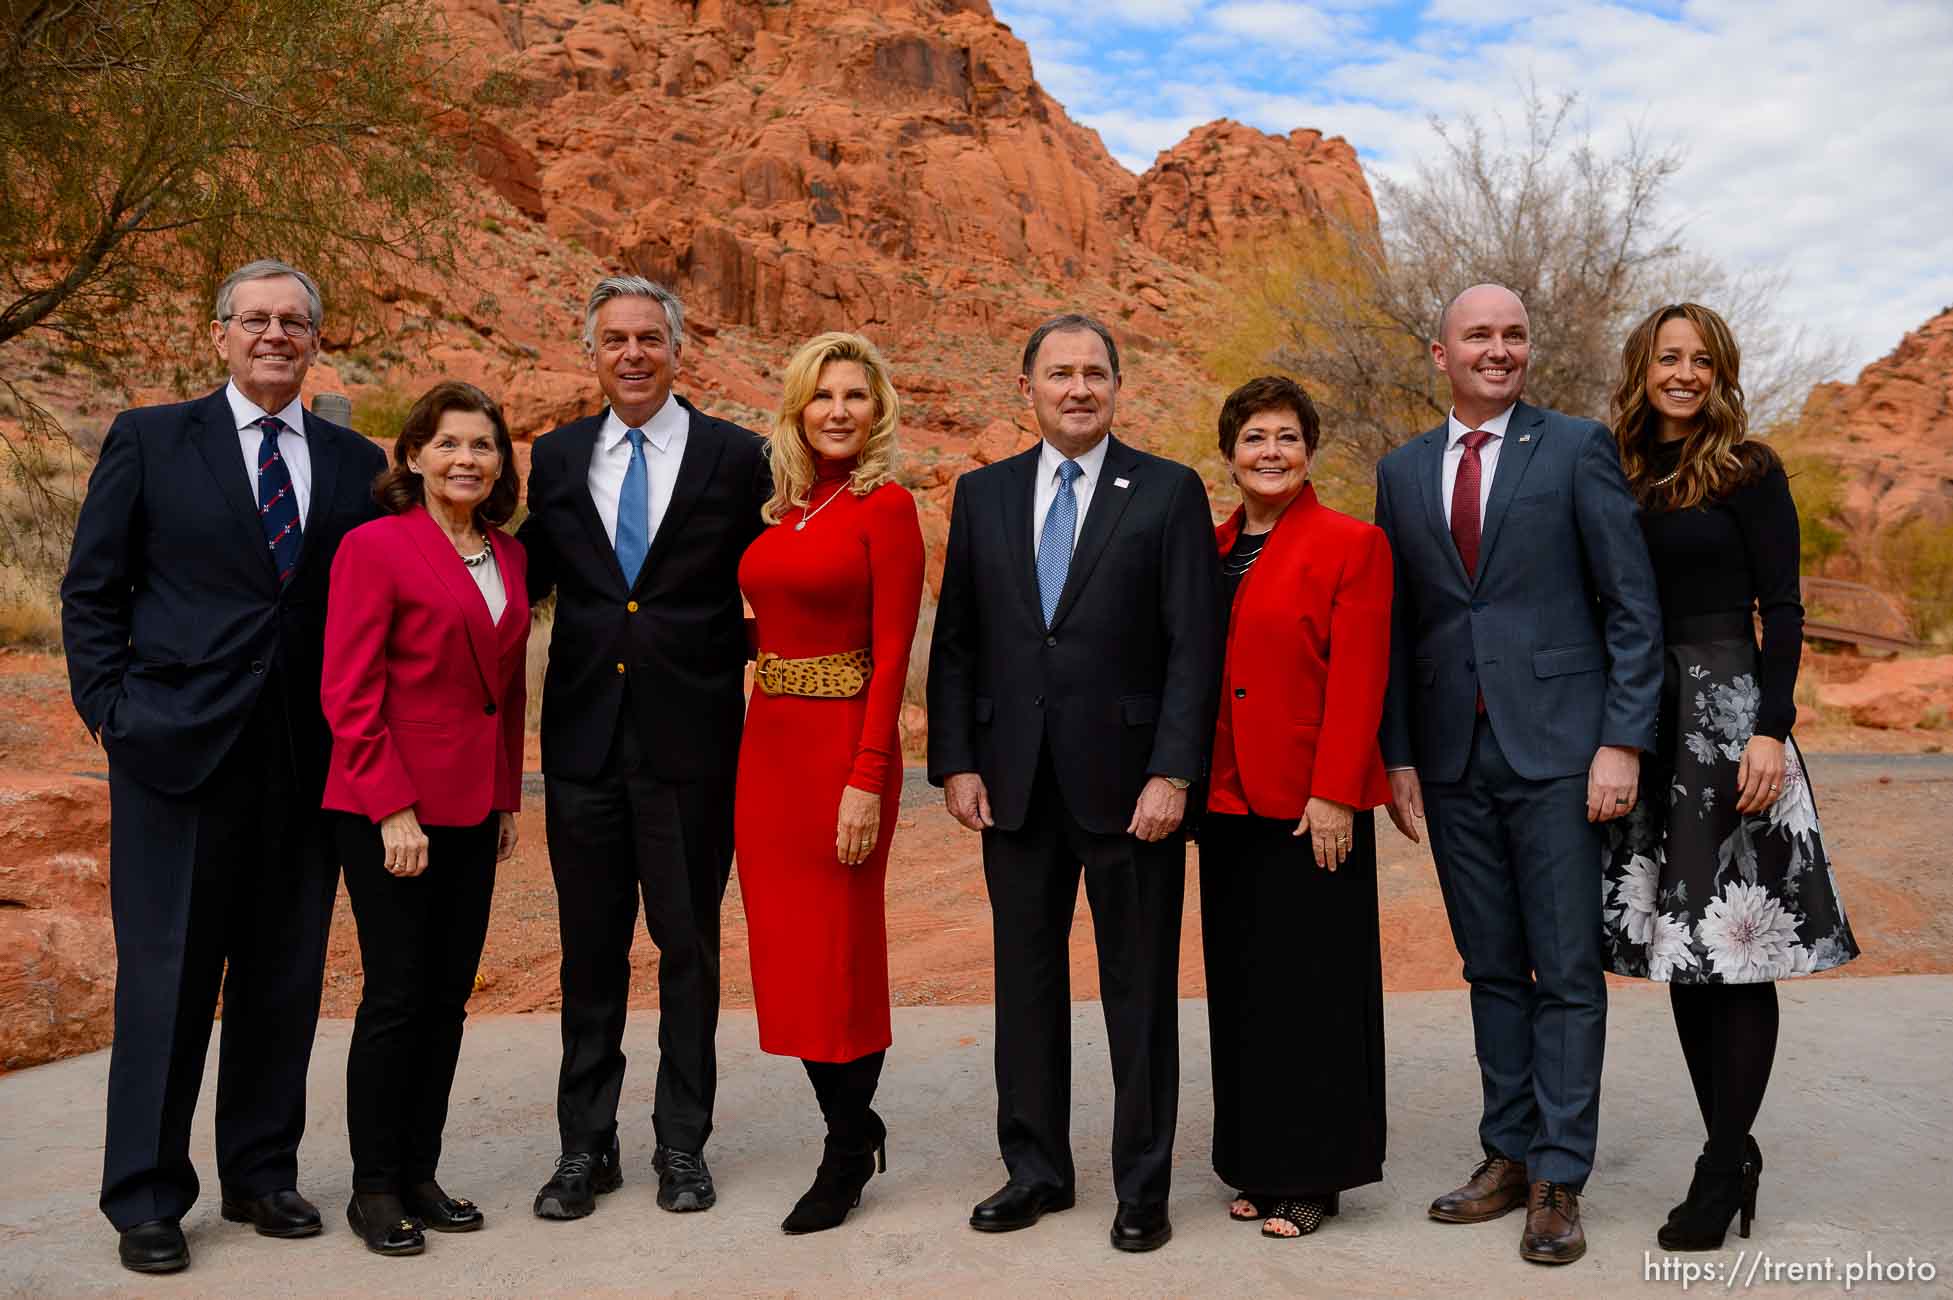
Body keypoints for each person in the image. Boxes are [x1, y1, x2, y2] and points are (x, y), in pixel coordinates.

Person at [59, 259, 387, 1274]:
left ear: (317, 340)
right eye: (256, 319)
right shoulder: (153, 440)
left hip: (306, 757)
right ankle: (148, 1195)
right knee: (168, 978)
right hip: (177, 754)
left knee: (283, 980)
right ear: (219, 335)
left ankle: (260, 1172)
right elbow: (91, 591)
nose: (275, 334)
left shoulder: (354, 461)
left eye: (294, 320)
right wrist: (114, 712)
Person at [1373, 284, 1662, 1266]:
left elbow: (1631, 605)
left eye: (1514, 335)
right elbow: (1402, 625)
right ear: (1440, 353)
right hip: (1453, 759)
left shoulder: (1576, 449)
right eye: (1479, 336)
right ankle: (1505, 1151)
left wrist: (1622, 739)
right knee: (1491, 965)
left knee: (1568, 972)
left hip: (1560, 752)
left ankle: (1557, 1176)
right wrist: (1399, 754)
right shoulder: (1401, 471)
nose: (1500, 350)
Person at [928, 313, 1222, 1254]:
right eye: (1060, 374)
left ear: (1116, 387)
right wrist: (957, 760)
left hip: (1132, 788)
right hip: (1013, 785)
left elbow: (1192, 650)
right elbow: (959, 643)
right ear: (1028, 389)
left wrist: (1174, 771)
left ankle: (1143, 1186)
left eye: (1095, 373)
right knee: (1024, 987)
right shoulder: (981, 496)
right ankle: (1036, 1172)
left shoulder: (1167, 492)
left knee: (1138, 992)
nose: (1079, 388)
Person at [1603, 303, 1858, 1251]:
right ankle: (1729, 1151)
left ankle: (1721, 1161)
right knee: (1685, 946)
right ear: (1642, 367)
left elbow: (1781, 606)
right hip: (1645, 716)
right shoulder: (1617, 471)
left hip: (1727, 719)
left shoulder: (1746, 468)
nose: (1683, 373)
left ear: (1719, 373)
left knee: (1735, 950)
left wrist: (1769, 730)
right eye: (1667, 357)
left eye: (1700, 360)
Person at [517, 275, 770, 1220]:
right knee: (588, 955)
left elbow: (774, 575)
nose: (632, 355)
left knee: (688, 950)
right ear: (592, 353)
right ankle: (585, 1150)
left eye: (648, 340)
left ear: (676, 349)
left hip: (693, 745)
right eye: (614, 340)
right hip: (582, 743)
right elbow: (526, 575)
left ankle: (680, 1146)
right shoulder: (555, 457)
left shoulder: (735, 457)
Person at [320, 380, 531, 1255]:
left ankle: (419, 1170)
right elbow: (348, 688)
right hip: (389, 808)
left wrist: (508, 796)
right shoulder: (375, 547)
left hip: (474, 805)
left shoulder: (507, 557)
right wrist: (391, 807)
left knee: (447, 1000)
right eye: (447, 443)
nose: (466, 460)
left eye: (482, 445)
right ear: (412, 455)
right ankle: (373, 1187)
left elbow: (507, 691)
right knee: (397, 998)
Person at [734, 332, 925, 1234]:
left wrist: (866, 775)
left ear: (877, 407)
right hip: (765, 749)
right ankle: (854, 1124)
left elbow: (891, 656)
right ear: (797, 409)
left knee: (841, 953)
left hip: (841, 752)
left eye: (855, 394)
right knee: (787, 954)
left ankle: (846, 1148)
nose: (839, 410)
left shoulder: (884, 508)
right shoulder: (785, 506)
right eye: (822, 395)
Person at [1197, 376, 1393, 1241]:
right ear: (1228, 454)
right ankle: (1255, 1162)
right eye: (1253, 438)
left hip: (1311, 801)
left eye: (1285, 436)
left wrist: (1335, 793)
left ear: (1308, 450)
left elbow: (1359, 678)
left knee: (1318, 989)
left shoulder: (1352, 544)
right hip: (1225, 801)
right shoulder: (1205, 547)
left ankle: (1316, 1173)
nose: (1269, 452)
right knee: (1244, 989)